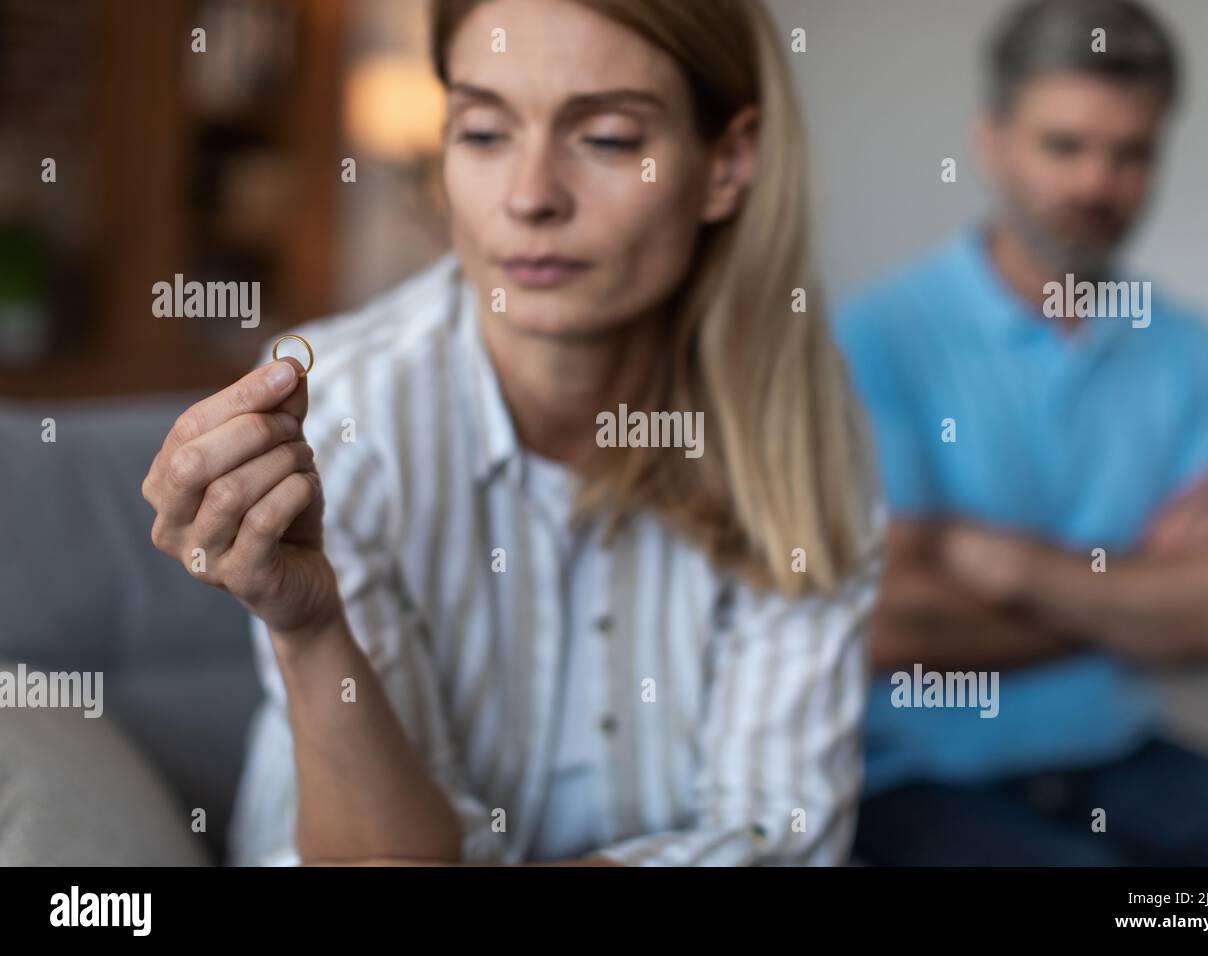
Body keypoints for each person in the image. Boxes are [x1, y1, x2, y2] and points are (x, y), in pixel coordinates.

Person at [143, 0, 883, 866]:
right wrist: (311, 631)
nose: (531, 197)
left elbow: (781, 830)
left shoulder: (793, 422)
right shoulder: (342, 414)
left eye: (607, 139)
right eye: (485, 133)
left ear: (727, 163)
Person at [836, 0, 1208, 865]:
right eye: (1064, 146)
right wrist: (1146, 595)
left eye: (1130, 153)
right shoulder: (874, 338)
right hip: (916, 779)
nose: (1095, 184)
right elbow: (886, 624)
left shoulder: (1182, 343)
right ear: (992, 141)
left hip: (1116, 754)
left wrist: (1006, 567)